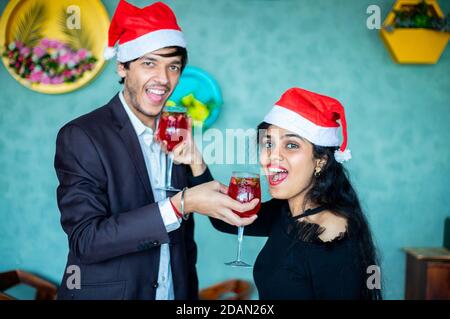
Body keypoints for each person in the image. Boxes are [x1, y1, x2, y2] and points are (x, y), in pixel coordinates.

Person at [54, 0, 258, 300]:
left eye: (173, 66)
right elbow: (86, 240)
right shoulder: (82, 135)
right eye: (149, 63)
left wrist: (197, 164)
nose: (163, 78)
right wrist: (179, 205)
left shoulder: (176, 131)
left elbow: (213, 211)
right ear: (123, 67)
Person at [211, 87, 382, 299]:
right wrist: (194, 164)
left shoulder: (330, 234)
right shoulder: (290, 210)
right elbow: (228, 221)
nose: (272, 157)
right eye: (268, 144)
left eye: (291, 145)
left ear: (321, 161)